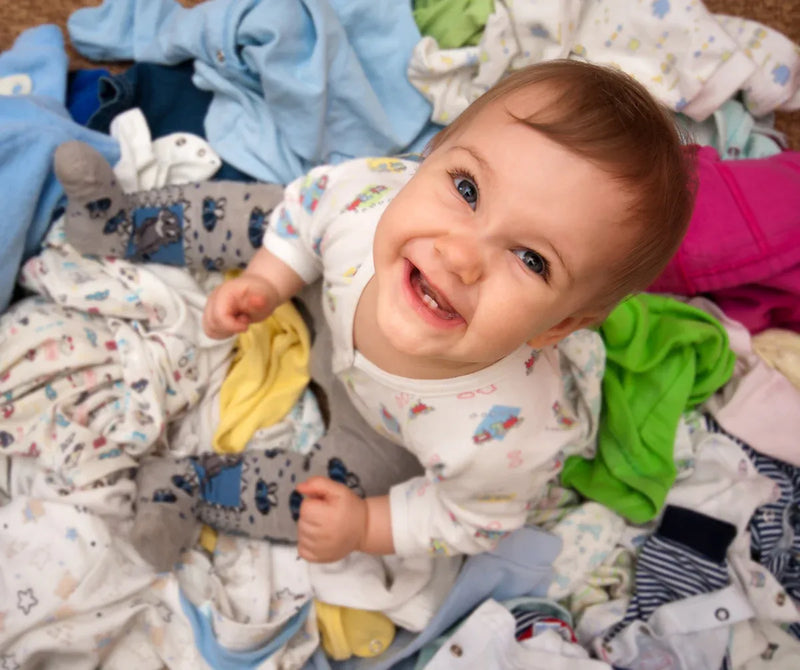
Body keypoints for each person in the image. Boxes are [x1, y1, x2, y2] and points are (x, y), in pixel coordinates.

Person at [55, 59, 695, 569]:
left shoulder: (506, 440)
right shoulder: (366, 207)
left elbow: (471, 517)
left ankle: (188, 486)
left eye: (531, 258)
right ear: (430, 157)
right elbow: (307, 212)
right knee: (268, 208)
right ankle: (121, 224)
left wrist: (368, 528)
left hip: (384, 431)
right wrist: (269, 278)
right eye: (466, 189)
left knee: (335, 495)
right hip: (329, 295)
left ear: (557, 326)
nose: (461, 255)